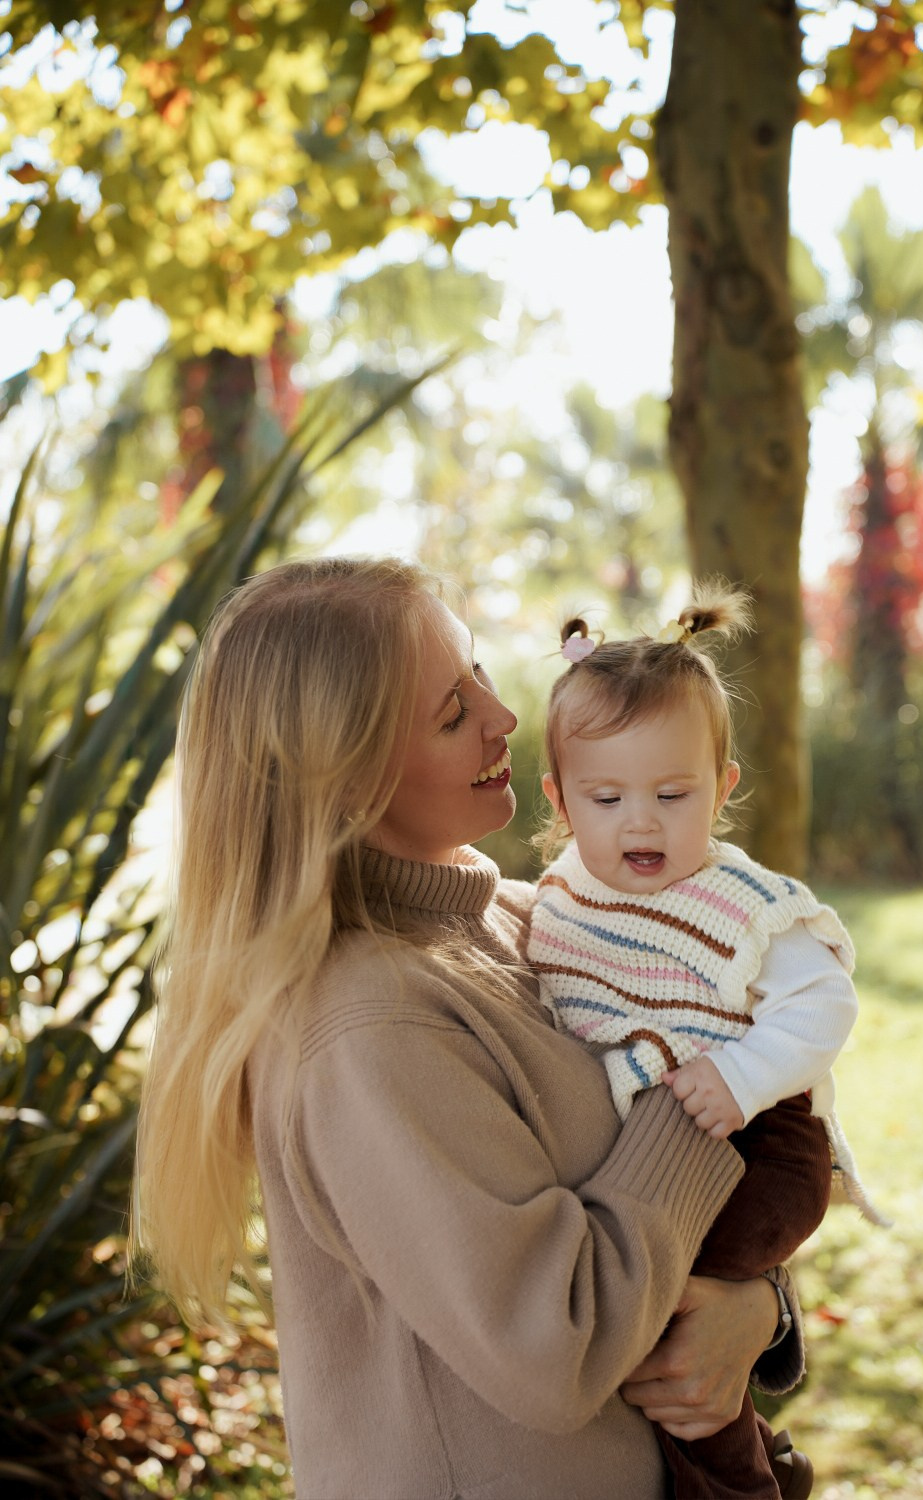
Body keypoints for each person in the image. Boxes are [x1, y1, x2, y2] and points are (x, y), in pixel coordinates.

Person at [135, 556, 810, 1500]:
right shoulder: (371, 1028)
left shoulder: (534, 923)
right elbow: (556, 1347)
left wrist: (757, 1307)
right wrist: (697, 1091)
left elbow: (685, 1234)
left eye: (481, 674)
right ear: (347, 778)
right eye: (452, 712)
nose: (503, 717)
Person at [528, 580, 882, 1500]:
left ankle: (737, 1482)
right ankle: (767, 1461)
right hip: (674, 1142)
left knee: (673, 1321)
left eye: (673, 793)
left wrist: (742, 1073)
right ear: (559, 799)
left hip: (761, 1139)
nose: (640, 821)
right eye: (605, 797)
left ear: (722, 787)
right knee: (660, 1316)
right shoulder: (562, 896)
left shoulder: (746, 905)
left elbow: (824, 1008)